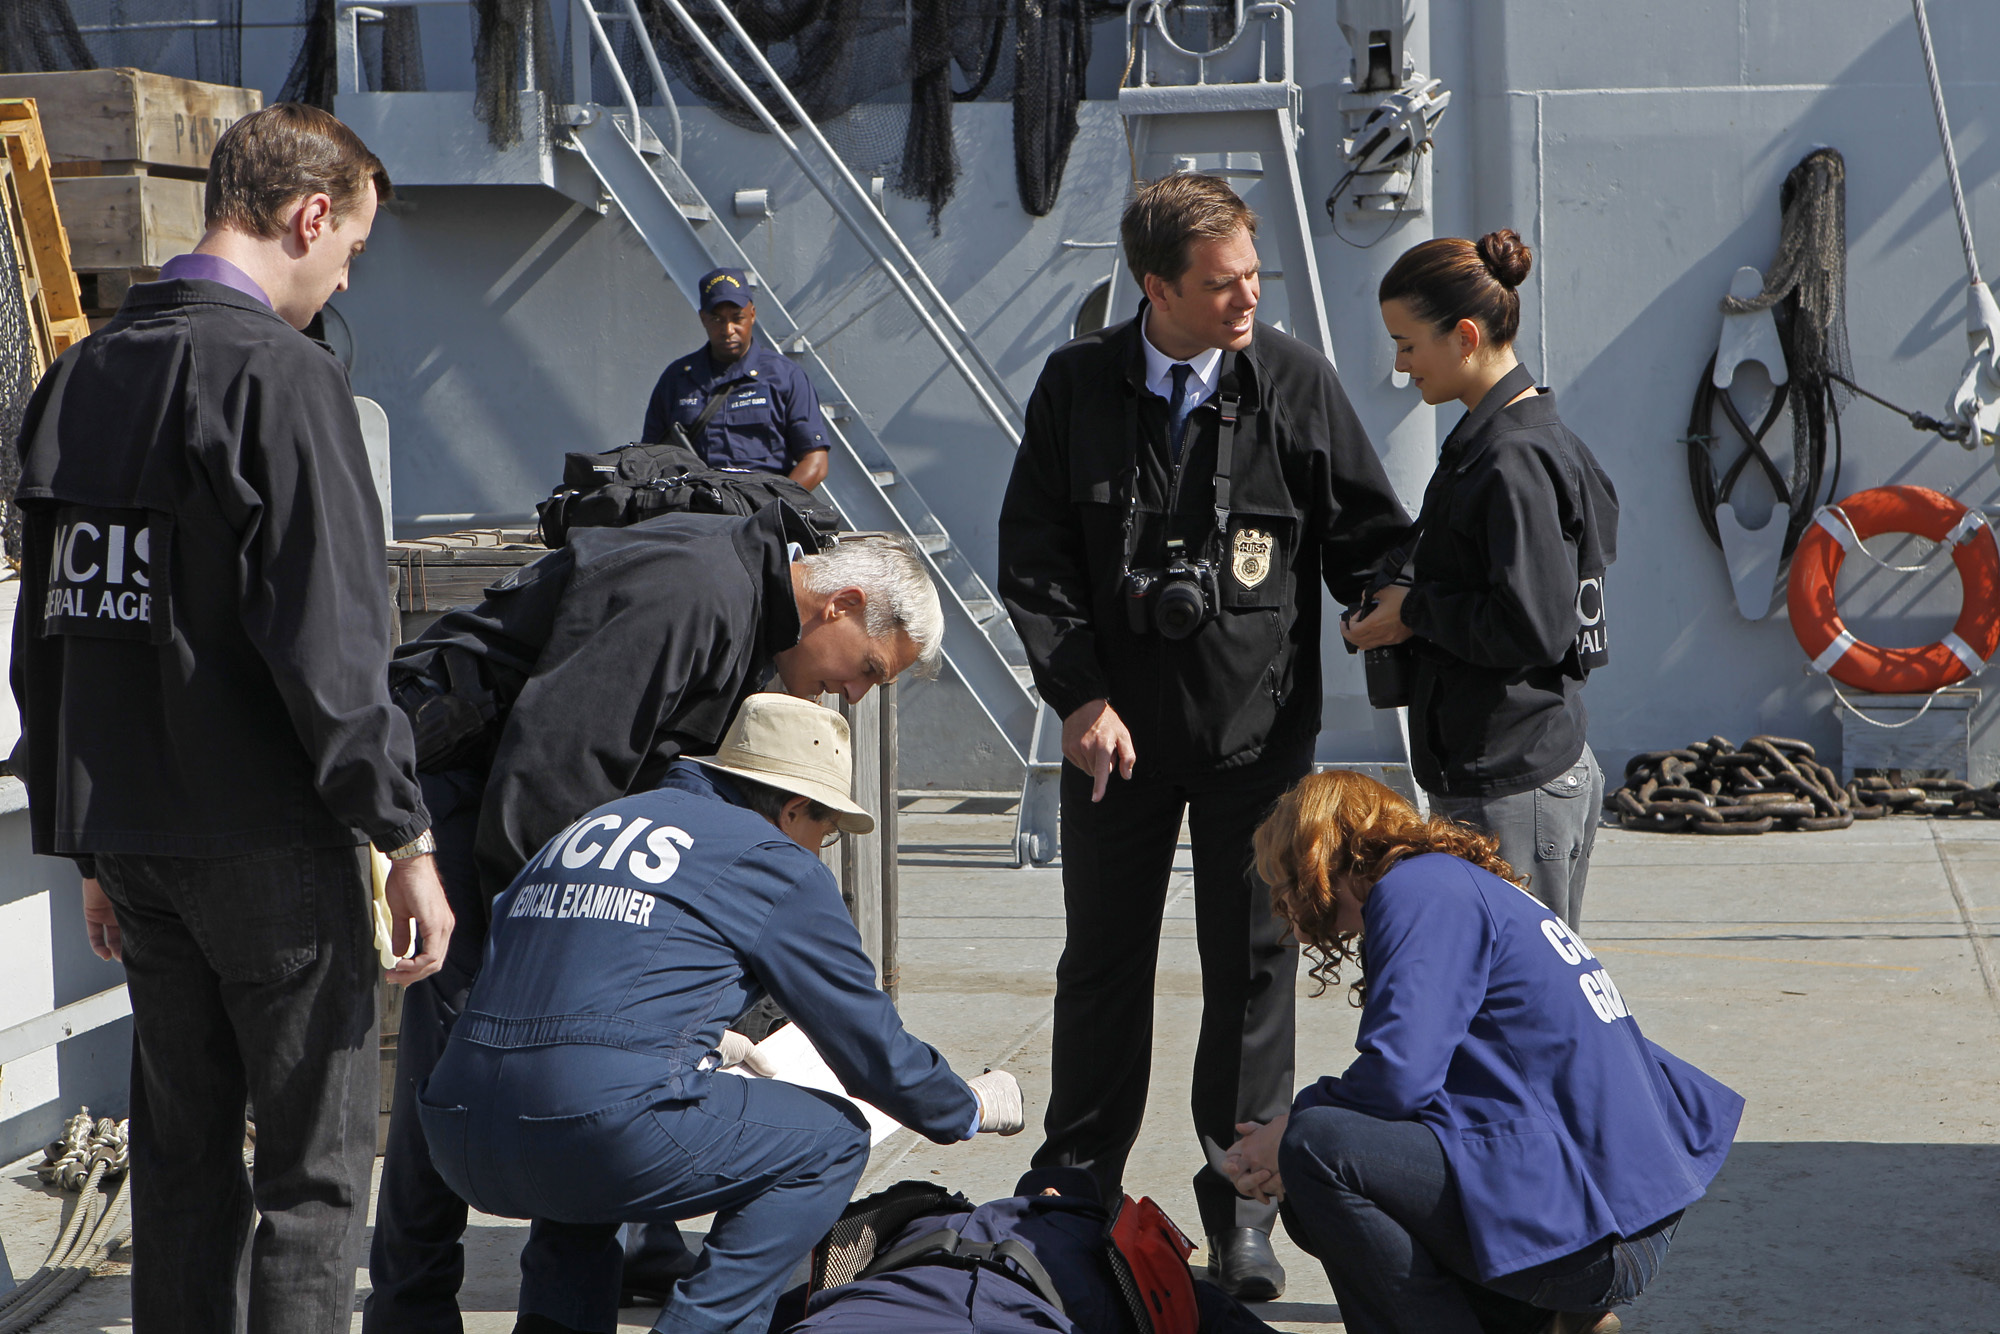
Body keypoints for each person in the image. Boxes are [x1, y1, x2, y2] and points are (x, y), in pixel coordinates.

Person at [7, 103, 453, 1331]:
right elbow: (334, 647)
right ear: (311, 214)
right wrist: (404, 839)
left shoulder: (78, 377)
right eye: (350, 248)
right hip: (268, 840)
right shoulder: (280, 379)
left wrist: (91, 842)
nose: (343, 274)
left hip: (136, 851)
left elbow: (47, 635)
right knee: (311, 1175)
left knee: (183, 1162)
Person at [366, 517, 944, 1331]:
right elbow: (551, 770)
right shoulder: (698, 595)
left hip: (536, 822)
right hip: (483, 819)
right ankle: (408, 1313)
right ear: (840, 606)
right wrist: (545, 954)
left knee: (574, 1087)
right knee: (467, 1058)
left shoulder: (751, 626)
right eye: (868, 671)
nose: (853, 694)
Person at [997, 172, 1411, 1301]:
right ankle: (1076, 1179)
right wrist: (1077, 695)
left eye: (1253, 279)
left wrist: (1392, 603)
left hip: (1255, 741)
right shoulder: (1075, 387)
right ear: (1155, 287)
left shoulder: (1291, 381)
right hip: (1113, 741)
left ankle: (1237, 1203)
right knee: (1100, 962)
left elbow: (1371, 535)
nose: (1246, 301)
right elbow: (1033, 559)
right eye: (1222, 285)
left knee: (1249, 972)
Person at [418, 693, 1023, 1334]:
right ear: (792, 809)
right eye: (826, 831)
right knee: (830, 1140)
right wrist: (966, 1104)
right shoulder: (771, 861)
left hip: (457, 1128)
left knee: (582, 1140)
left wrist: (701, 1041)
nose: (821, 850)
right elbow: (873, 1052)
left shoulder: (598, 824)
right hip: (588, 1125)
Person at [1219, 771, 1741, 1334]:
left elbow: (1399, 1079)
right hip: (1622, 1217)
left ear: (1317, 851)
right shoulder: (1451, 883)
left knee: (1317, 1147)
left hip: (1597, 1235)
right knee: (1311, 1178)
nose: (1280, 901)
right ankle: (1543, 1323)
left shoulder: (1414, 889)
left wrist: (1291, 1124)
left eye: (1284, 877)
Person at [1341, 231, 1619, 930]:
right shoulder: (1523, 439)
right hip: (1518, 764)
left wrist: (1414, 612)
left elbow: (1532, 625)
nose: (1402, 367)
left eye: (1408, 344)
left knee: (1522, 1001)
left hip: (1513, 780)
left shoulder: (1511, 459)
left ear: (1464, 336)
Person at [640, 265, 831, 489]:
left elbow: (816, 463)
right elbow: (649, 460)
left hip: (762, 506)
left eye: (737, 318)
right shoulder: (676, 380)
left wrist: (772, 509)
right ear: (703, 319)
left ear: (752, 315)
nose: (728, 329)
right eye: (717, 319)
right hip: (697, 509)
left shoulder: (786, 377)